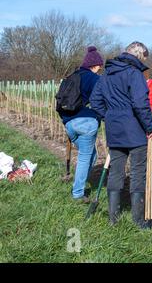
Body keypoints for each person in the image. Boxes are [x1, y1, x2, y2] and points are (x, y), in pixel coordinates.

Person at [90, 42, 152, 229]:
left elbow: (95, 101)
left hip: (115, 130)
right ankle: (137, 221)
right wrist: (149, 126)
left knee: (116, 171)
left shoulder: (106, 74)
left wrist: (109, 116)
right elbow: (140, 103)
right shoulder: (134, 73)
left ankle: (113, 219)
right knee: (137, 172)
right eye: (144, 58)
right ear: (139, 55)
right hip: (134, 130)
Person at [59, 46, 103, 203]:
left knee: (92, 155)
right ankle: (77, 194)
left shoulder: (71, 76)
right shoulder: (94, 79)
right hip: (86, 124)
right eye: (99, 67)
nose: (100, 70)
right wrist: (102, 116)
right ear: (96, 65)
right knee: (85, 157)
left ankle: (79, 183)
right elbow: (103, 100)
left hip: (69, 123)